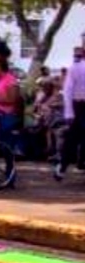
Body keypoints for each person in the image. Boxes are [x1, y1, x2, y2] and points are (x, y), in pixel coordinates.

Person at [55, 47, 85, 180]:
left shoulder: (75, 68)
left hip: (79, 106)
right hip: (79, 106)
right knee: (73, 138)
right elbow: (68, 90)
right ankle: (62, 166)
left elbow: (67, 90)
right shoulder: (76, 68)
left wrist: (69, 113)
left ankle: (63, 166)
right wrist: (69, 112)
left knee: (73, 139)